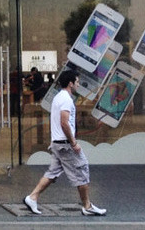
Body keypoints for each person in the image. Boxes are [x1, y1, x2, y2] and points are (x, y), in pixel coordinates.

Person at [23, 69, 106, 217]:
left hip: (57, 143)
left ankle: (32, 197)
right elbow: (64, 123)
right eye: (77, 82)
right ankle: (87, 206)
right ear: (70, 83)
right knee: (82, 169)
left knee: (53, 173)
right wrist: (73, 143)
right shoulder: (66, 99)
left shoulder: (58, 97)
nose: (78, 85)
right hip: (65, 144)